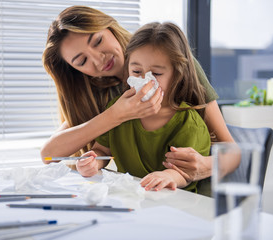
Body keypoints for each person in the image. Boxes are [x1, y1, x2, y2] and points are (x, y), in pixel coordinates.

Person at [41, 6, 236, 184]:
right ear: (76, 70)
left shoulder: (170, 60)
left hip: (198, 191)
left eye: (98, 41)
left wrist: (204, 166)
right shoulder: (98, 93)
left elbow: (232, 151)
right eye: (82, 61)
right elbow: (49, 155)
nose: (99, 58)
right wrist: (115, 115)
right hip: (143, 193)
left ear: (109, 27)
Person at [77, 22, 211, 192]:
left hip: (172, 203)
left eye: (156, 74)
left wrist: (168, 176)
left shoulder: (188, 123)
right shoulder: (118, 109)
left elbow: (186, 171)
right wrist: (93, 162)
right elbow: (102, 149)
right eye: (136, 71)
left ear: (177, 75)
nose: (146, 80)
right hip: (132, 198)